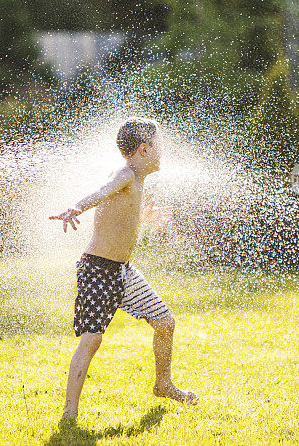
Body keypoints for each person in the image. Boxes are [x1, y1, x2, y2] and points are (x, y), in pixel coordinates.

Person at [49, 117, 198, 420]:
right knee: (92, 339)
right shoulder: (125, 174)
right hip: (98, 270)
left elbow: (116, 212)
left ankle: (164, 384)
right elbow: (103, 191)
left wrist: (142, 217)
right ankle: (69, 413)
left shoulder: (136, 181)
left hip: (124, 272)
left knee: (165, 323)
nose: (162, 152)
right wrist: (78, 206)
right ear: (144, 149)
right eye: (159, 145)